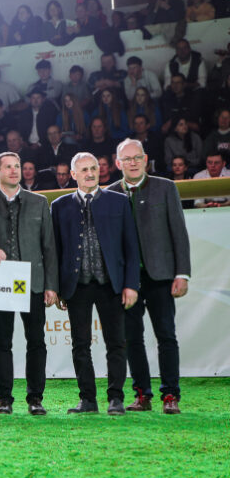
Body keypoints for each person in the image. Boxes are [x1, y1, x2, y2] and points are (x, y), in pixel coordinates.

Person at [51, 152, 140, 415]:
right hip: (76, 285)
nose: (90, 173)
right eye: (84, 170)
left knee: (116, 342)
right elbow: (55, 251)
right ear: (73, 174)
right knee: (80, 344)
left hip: (111, 284)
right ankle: (87, 400)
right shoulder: (59, 206)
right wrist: (57, 287)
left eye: (94, 168)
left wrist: (131, 284)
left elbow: (131, 247)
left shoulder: (119, 201)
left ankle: (116, 398)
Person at [110, 139, 190, 414]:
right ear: (118, 163)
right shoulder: (110, 194)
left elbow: (179, 233)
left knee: (166, 335)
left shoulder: (166, 187)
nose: (132, 162)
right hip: (126, 281)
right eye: (127, 159)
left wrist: (182, 273)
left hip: (161, 276)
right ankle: (142, 394)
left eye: (137, 157)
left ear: (145, 160)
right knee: (132, 338)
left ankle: (170, 395)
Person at [0, 152, 59, 415]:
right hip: (0, 283)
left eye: (17, 166)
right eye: (8, 167)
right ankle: (4, 399)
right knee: (1, 342)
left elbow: (49, 246)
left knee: (36, 341)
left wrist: (51, 285)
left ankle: (35, 398)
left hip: (34, 282)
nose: (14, 170)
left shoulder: (39, 202)